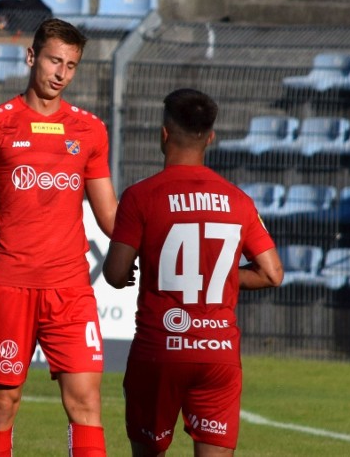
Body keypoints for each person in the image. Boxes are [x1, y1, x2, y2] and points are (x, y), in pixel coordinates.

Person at [0, 18, 118, 457]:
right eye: (53, 60)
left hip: (70, 288)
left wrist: (148, 238)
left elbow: (110, 218)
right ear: (32, 57)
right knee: (2, 403)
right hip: (10, 284)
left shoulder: (90, 130)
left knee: (86, 402)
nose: (61, 73)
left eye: (71, 65)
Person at [102, 88, 284, 457]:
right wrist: (224, 277)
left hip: (160, 349)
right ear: (211, 137)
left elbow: (115, 272)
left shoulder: (141, 196)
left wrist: (135, 272)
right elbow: (272, 274)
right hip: (218, 352)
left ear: (164, 133)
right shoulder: (238, 200)